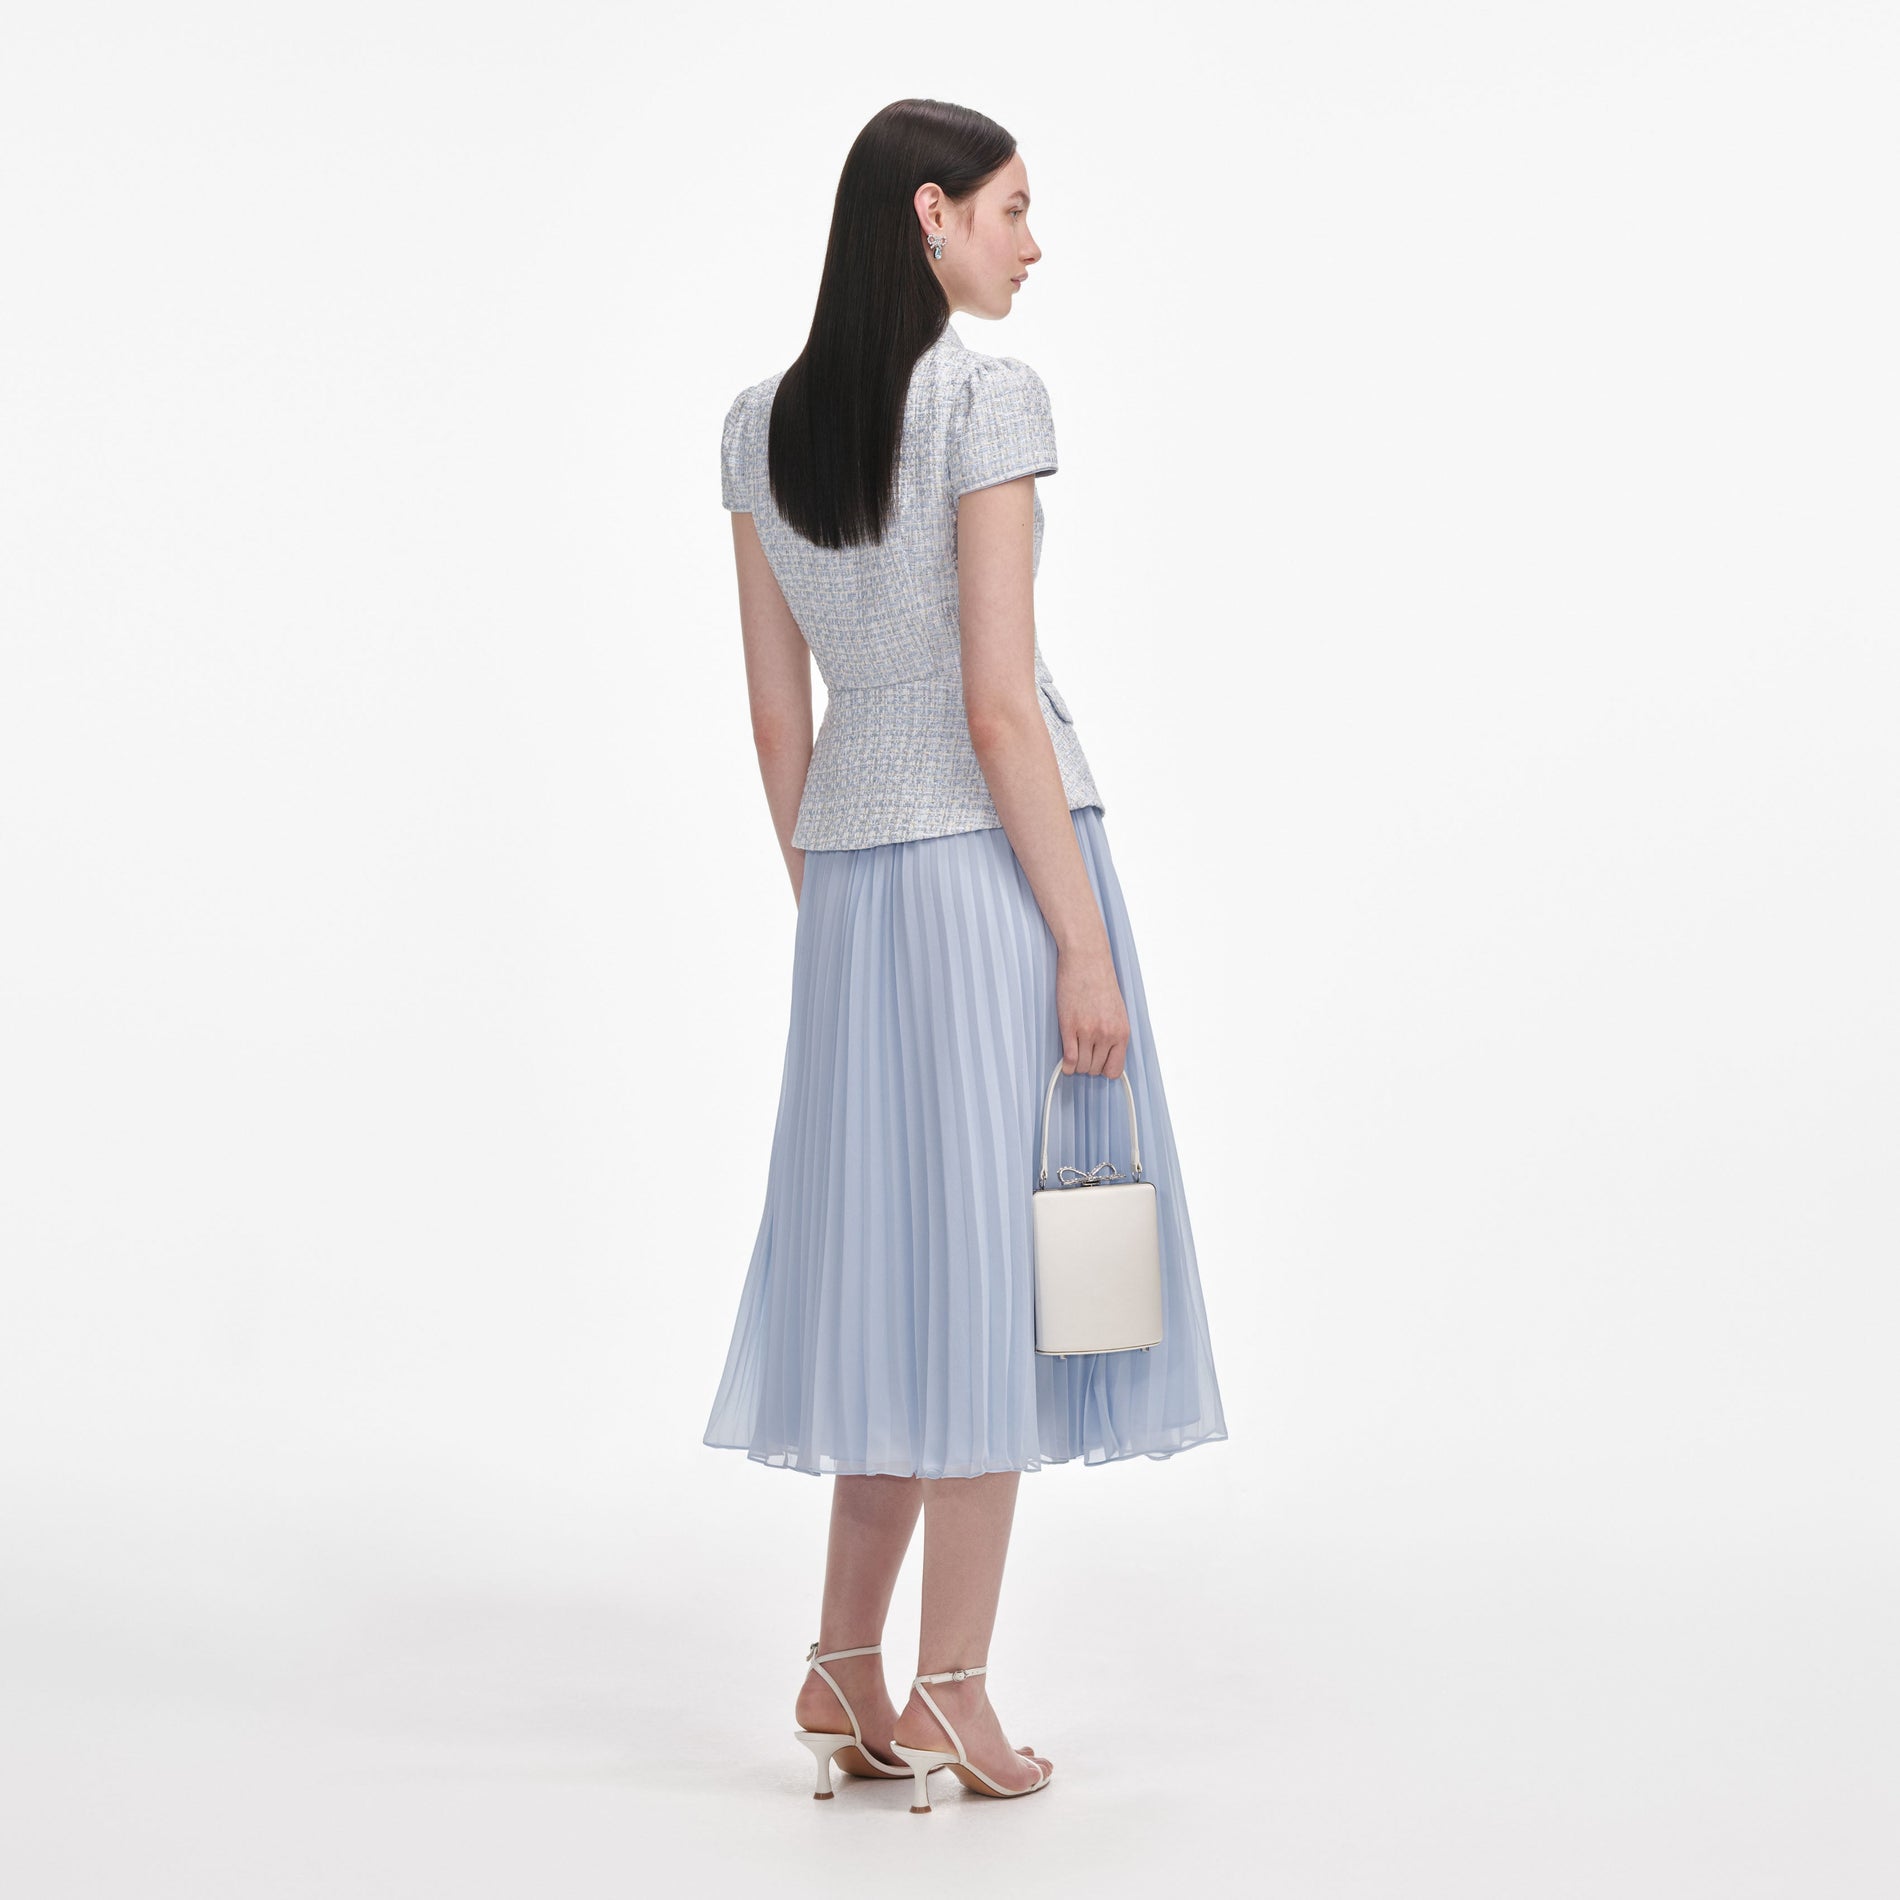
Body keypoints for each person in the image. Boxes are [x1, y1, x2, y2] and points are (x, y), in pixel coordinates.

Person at [702, 97, 1227, 1812]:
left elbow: (776, 720)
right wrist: (1080, 946)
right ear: (930, 215)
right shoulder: (989, 397)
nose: (1032, 242)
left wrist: (829, 902)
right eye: (1012, 209)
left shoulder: (758, 425)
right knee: (994, 1282)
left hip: (853, 889)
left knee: (887, 1279)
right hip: (996, 875)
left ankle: (842, 1666)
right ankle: (951, 1693)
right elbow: (1001, 706)